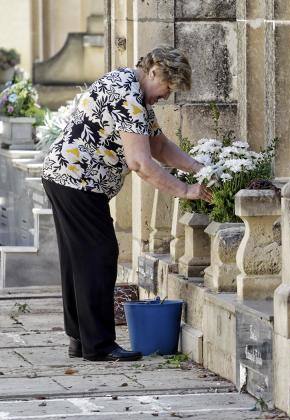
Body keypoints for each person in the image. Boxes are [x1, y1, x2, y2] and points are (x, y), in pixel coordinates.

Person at [40, 46, 212, 361]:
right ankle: (100, 345)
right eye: (168, 88)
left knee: (79, 259)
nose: (166, 96)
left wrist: (201, 169)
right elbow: (141, 163)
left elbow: (159, 145)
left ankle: (81, 339)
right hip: (77, 181)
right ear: (155, 71)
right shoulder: (128, 97)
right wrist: (187, 190)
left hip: (67, 178)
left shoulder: (131, 88)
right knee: (99, 255)